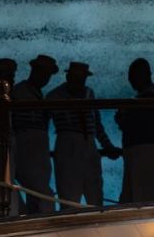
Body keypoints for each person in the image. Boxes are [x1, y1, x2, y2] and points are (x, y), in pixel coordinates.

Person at [47, 61, 120, 208]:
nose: (79, 82)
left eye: (81, 79)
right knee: (69, 196)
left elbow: (96, 124)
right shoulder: (54, 96)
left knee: (94, 192)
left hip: (88, 146)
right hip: (68, 146)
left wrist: (107, 146)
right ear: (68, 77)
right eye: (77, 78)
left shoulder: (88, 94)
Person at [115, 58, 154, 202]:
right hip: (142, 150)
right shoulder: (153, 95)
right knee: (139, 196)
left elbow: (130, 121)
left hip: (142, 150)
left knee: (139, 198)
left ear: (142, 75)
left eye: (132, 76)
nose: (130, 80)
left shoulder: (150, 96)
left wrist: (123, 115)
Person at [12, 55, 59, 214]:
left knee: (37, 194)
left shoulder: (37, 94)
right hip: (26, 150)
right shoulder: (19, 92)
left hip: (39, 152)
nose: (45, 78)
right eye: (44, 73)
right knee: (42, 193)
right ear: (34, 71)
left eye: (48, 75)